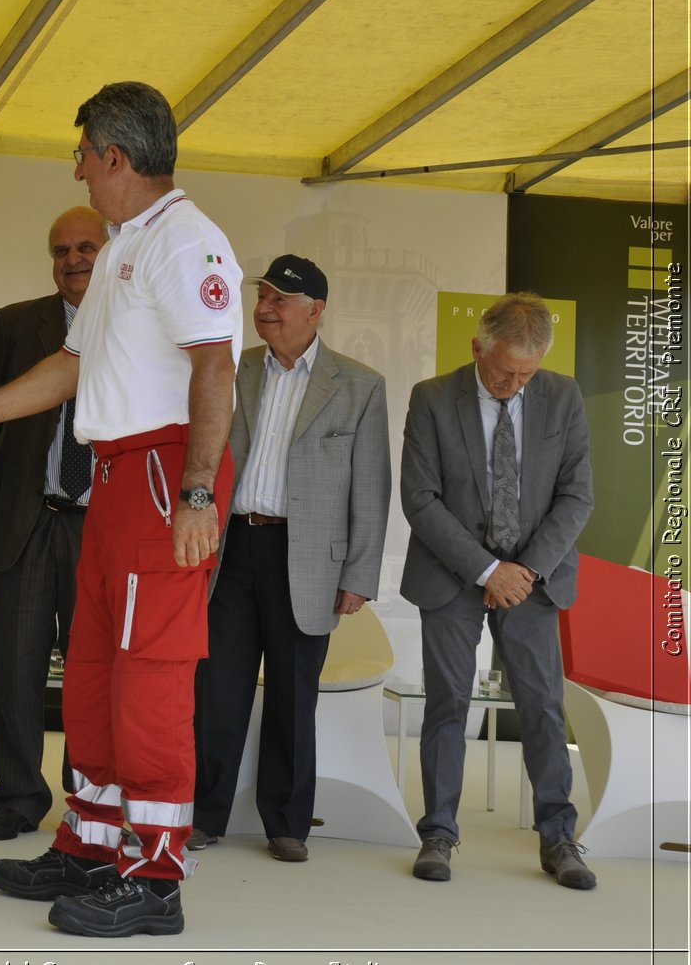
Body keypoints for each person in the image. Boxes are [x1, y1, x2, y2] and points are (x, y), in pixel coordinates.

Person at [0, 81, 242, 938]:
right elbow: (69, 368)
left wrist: (194, 492)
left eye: (81, 156)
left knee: (150, 674)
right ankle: (90, 844)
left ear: (115, 157)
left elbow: (215, 369)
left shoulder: (186, 240)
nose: (76, 170)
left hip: (160, 474)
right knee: (95, 672)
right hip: (115, 475)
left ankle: (153, 877)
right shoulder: (121, 249)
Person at [189, 255, 390, 863]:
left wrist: (359, 574)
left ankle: (286, 823)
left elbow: (371, 488)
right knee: (216, 689)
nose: (265, 308)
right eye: (262, 296)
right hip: (232, 550)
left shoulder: (359, 385)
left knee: (293, 694)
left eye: (280, 299)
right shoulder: (234, 370)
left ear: (316, 311)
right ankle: (204, 814)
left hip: (308, 559)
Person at [401, 291, 595, 889]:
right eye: (504, 370)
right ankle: (438, 832)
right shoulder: (433, 399)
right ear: (477, 347)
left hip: (534, 581)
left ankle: (559, 839)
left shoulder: (563, 396)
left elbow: (576, 496)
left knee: (542, 708)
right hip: (452, 574)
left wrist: (525, 571)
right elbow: (421, 499)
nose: (514, 383)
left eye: (526, 374)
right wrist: (488, 570)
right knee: (447, 704)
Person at [0, 206, 106, 842]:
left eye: (85, 247)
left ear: (108, 253)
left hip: (101, 529)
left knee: (91, 678)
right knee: (14, 669)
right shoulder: (14, 325)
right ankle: (19, 795)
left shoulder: (138, 324)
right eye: (61, 250)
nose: (72, 259)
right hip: (26, 523)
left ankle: (87, 805)